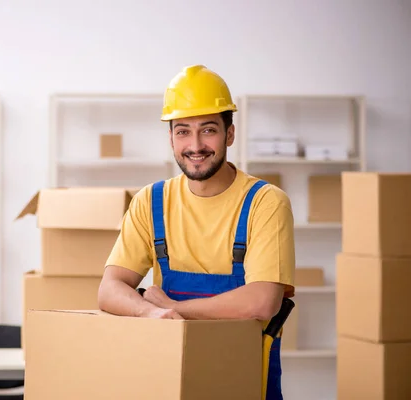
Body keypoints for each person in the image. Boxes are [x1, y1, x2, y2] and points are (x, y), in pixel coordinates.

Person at [97, 64, 295, 400]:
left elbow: (261, 302)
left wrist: (173, 308)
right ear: (171, 138)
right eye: (183, 131)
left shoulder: (265, 203)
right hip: (167, 380)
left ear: (229, 134)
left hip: (243, 382)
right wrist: (151, 311)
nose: (195, 144)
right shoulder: (151, 201)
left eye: (208, 130)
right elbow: (109, 289)